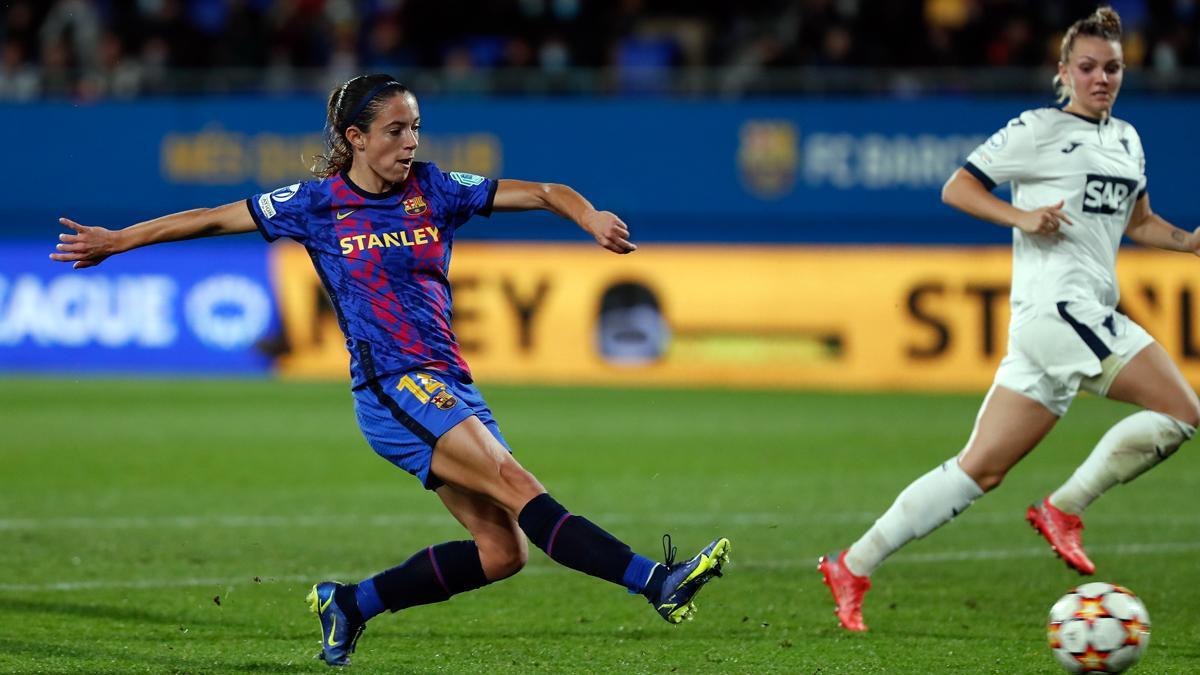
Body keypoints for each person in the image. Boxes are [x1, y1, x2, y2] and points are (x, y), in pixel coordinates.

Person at [50, 73, 731, 665]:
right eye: (396, 129)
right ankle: (655, 581)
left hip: (447, 380)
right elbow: (207, 219)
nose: (411, 142)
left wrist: (590, 217)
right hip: (391, 385)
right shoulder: (315, 204)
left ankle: (351, 601)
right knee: (516, 483)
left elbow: (546, 191)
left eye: (417, 128)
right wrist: (117, 241)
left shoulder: (435, 189)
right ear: (355, 137)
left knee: (501, 552)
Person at [816, 7, 1200, 632]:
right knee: (1184, 411)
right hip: (1059, 310)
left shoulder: (1127, 139)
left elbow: (1137, 222)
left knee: (980, 470)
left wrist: (1186, 243)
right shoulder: (1037, 130)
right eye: (1087, 67)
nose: (1101, 78)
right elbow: (958, 188)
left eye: (1113, 68)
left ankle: (852, 565)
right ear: (1063, 71)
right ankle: (1063, 508)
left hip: (1063, 322)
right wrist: (1022, 218)